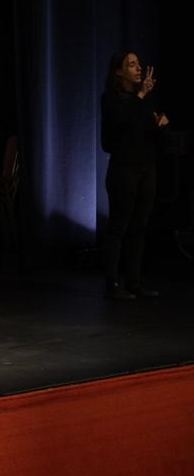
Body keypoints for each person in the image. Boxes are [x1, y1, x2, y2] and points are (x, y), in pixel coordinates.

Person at [101, 51, 166, 300]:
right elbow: (119, 130)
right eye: (132, 64)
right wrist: (140, 97)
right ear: (119, 72)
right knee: (119, 226)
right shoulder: (111, 99)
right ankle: (112, 283)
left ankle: (134, 281)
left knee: (140, 226)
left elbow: (149, 134)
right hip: (123, 170)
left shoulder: (143, 100)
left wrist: (160, 124)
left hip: (146, 168)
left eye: (138, 64)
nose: (139, 68)